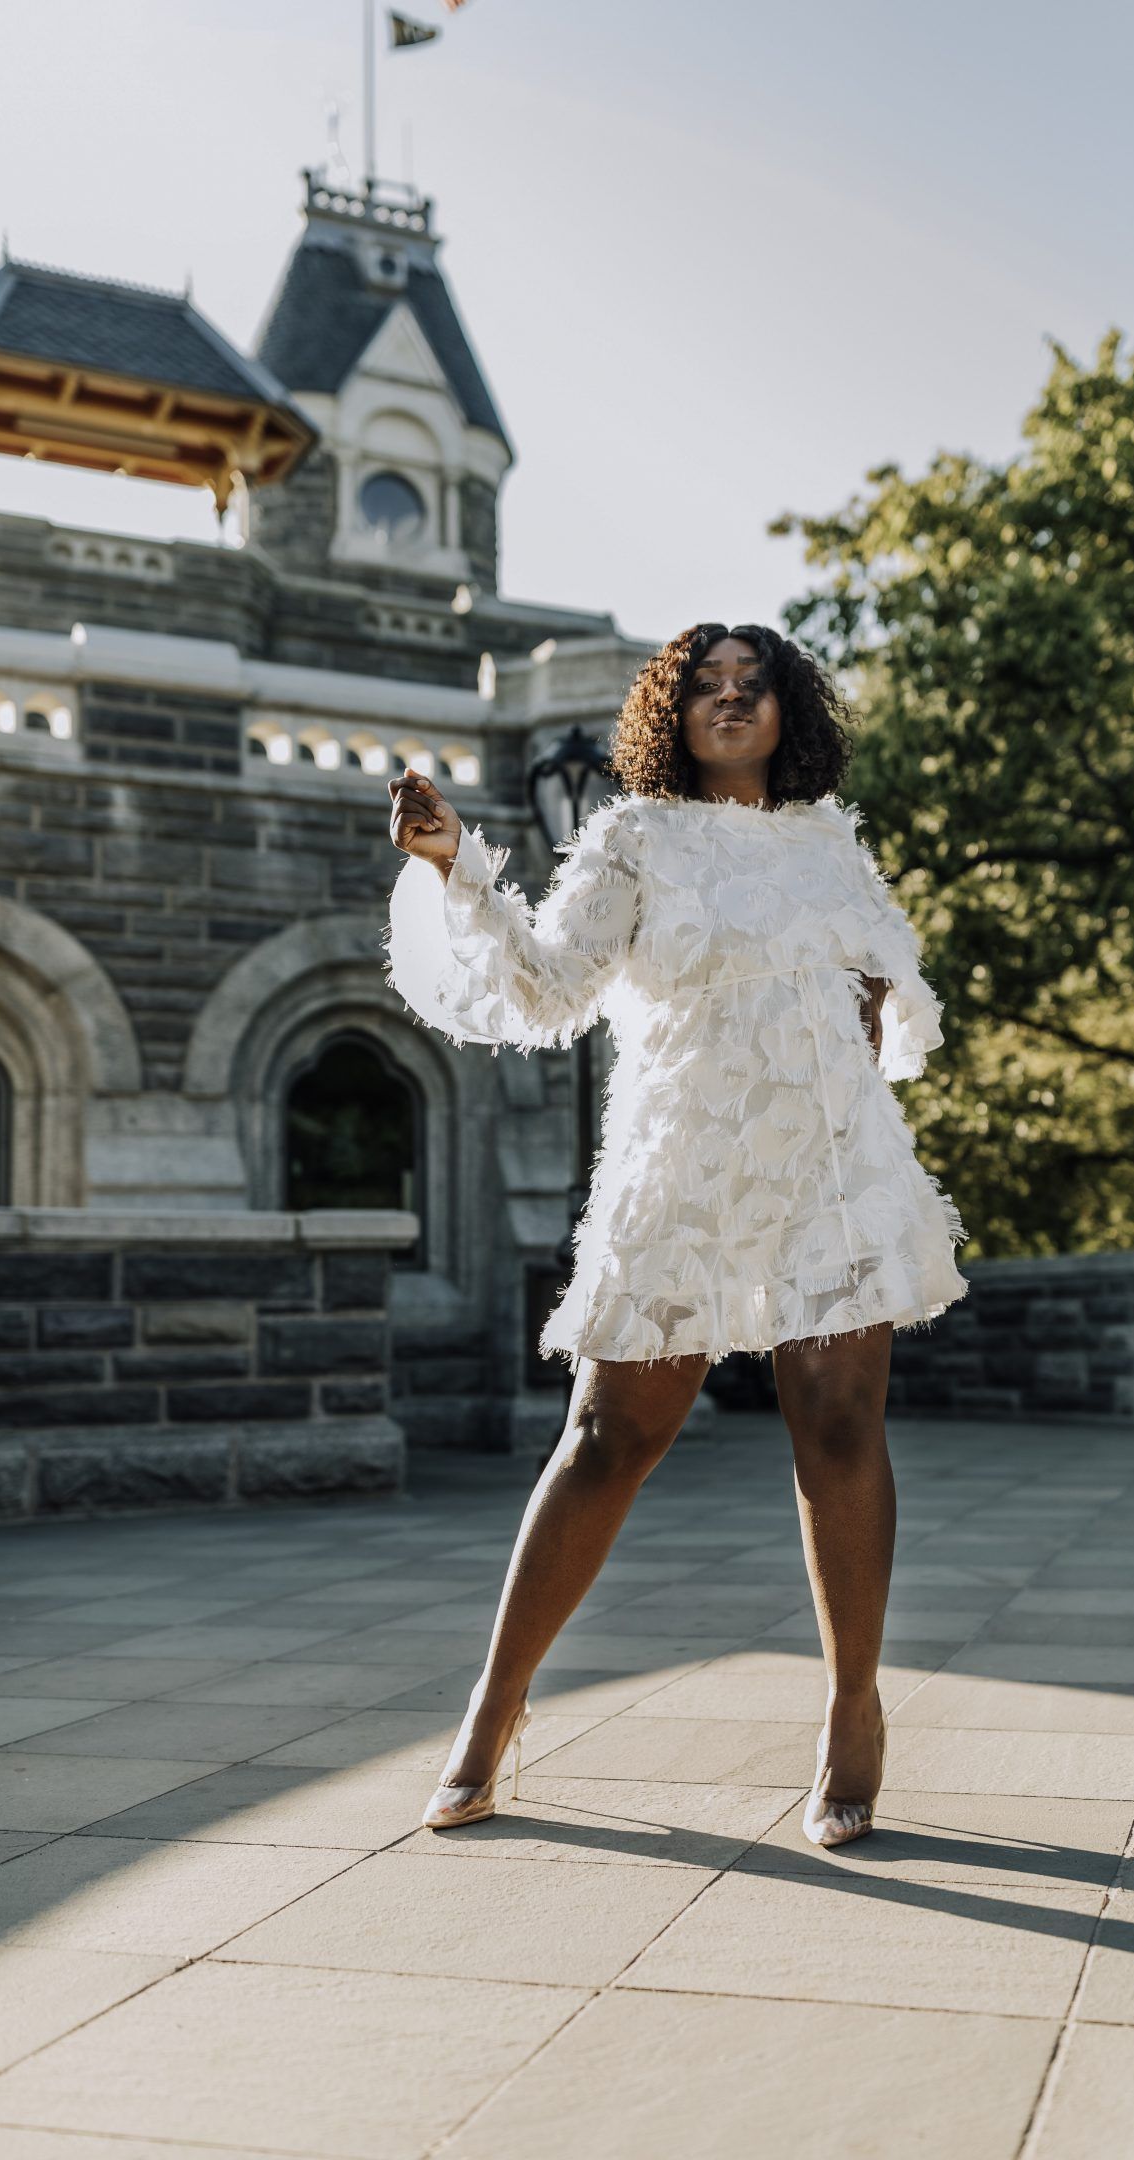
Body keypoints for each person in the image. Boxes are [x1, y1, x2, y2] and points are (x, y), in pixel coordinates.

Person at [385, 622, 967, 1847]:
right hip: (686, 1162)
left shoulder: (828, 841)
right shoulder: (634, 837)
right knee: (610, 1436)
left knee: (841, 1425)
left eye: (754, 684)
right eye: (706, 686)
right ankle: (494, 1708)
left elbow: (896, 986)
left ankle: (852, 1710)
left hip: (828, 1165)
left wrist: (873, 993)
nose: (731, 699)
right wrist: (456, 869)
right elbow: (548, 985)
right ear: (674, 715)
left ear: (788, 710)